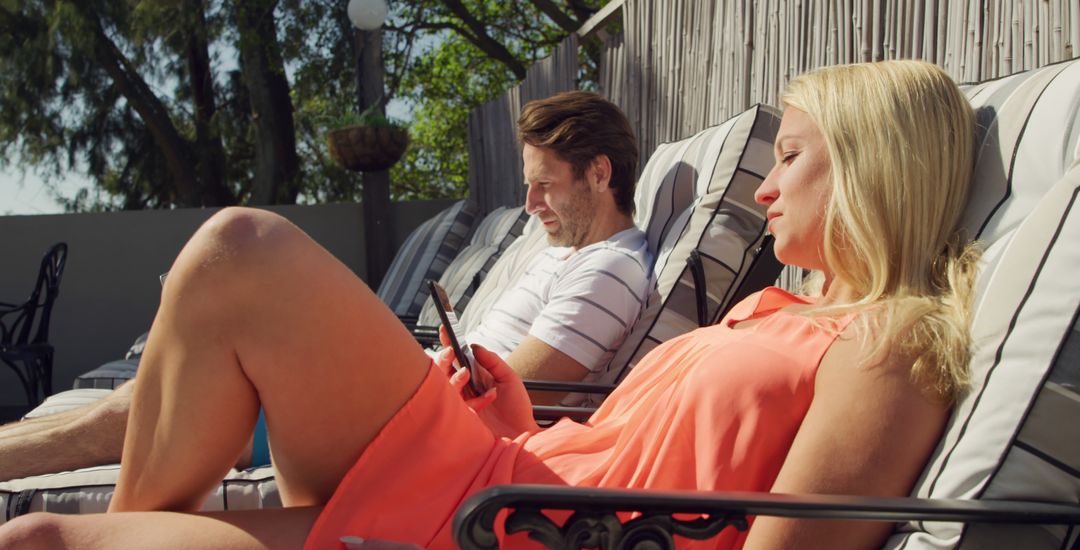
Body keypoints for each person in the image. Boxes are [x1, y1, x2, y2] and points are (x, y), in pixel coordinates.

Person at [0, 59, 979, 550]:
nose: (766, 190)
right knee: (33, 548)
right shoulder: (772, 310)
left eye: (794, 157)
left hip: (504, 539)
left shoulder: (889, 349)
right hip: (498, 483)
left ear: (875, 163)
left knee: (239, 253)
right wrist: (514, 415)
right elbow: (631, 453)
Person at [0, 90, 652, 483]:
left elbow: (511, 395)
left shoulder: (612, 269)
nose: (529, 200)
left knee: (239, 258)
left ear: (599, 173)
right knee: (155, 392)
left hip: (412, 425)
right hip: (403, 395)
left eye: (545, 183)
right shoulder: (559, 253)